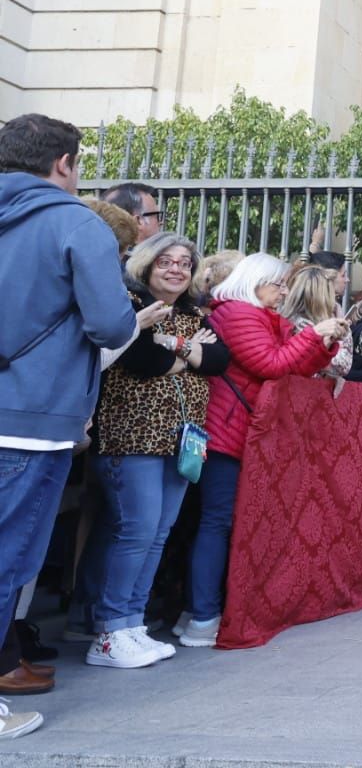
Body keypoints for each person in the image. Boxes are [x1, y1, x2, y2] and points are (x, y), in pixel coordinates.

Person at [0, 115, 138, 737]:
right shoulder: (75, 221)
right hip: (33, 418)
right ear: (63, 163)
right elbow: (112, 324)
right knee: (5, 562)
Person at [176, 253, 343, 649]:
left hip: (238, 429)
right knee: (217, 522)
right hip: (226, 429)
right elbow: (271, 364)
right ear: (254, 280)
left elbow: (295, 365)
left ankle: (198, 610)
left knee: (218, 522)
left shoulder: (256, 315)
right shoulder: (239, 315)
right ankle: (202, 615)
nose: (284, 291)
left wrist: (323, 344)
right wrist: (312, 335)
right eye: (278, 283)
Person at [84, 232, 230, 670]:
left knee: (158, 532)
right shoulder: (129, 304)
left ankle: (132, 622)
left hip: (181, 439)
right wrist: (190, 352)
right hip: (133, 437)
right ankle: (108, 631)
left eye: (185, 263)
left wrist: (176, 346)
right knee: (135, 530)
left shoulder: (190, 312)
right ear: (146, 264)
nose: (176, 269)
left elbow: (220, 359)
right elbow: (141, 359)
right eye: (166, 261)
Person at [280, 266, 354, 382]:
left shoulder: (289, 319)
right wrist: (344, 330)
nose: (333, 300)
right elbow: (342, 365)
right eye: (332, 293)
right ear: (322, 296)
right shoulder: (304, 325)